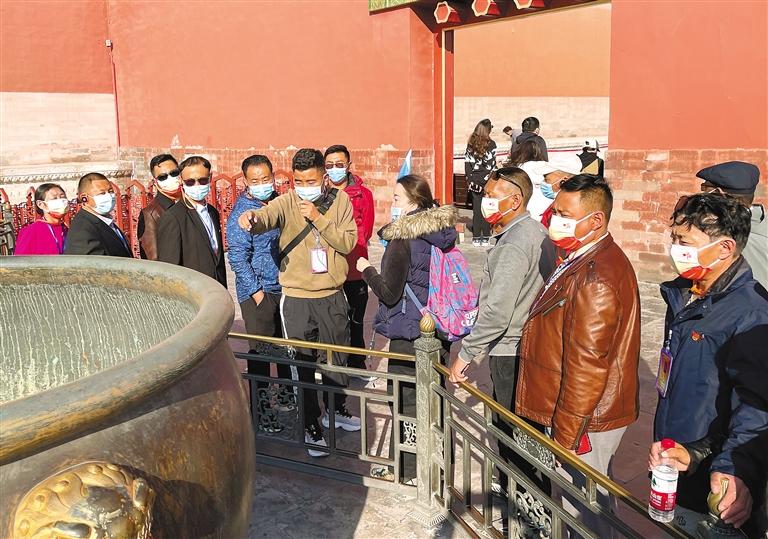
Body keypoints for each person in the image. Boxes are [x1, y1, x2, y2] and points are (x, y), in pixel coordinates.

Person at [514, 174, 641, 537]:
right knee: (590, 497)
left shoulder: (596, 277)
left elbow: (587, 365)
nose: (555, 220)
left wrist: (567, 434)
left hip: (586, 415)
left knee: (584, 506)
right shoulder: (582, 257)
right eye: (555, 212)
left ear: (596, 220)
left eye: (564, 215)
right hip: (584, 410)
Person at [648, 193, 768, 536]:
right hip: (675, 452)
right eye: (674, 238)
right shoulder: (685, 294)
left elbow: (756, 407)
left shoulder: (751, 313)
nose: (674, 249)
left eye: (684, 242)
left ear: (725, 248)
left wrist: (734, 467)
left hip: (711, 469)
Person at [237, 148, 360, 456]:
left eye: (312, 181)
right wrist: (252, 218)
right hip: (297, 299)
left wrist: (318, 218)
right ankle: (310, 424)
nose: (305, 187)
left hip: (331, 294)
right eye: (299, 181)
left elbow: (348, 242)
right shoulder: (286, 202)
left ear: (324, 178)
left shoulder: (340, 201)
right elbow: (266, 216)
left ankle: (336, 407)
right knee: (301, 366)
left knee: (337, 359)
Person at [447, 167, 557, 494]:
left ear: (515, 199)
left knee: (511, 431)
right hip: (531, 345)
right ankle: (526, 495)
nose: (486, 202)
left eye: (492, 196)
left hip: (512, 348)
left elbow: (497, 311)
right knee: (526, 430)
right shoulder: (535, 232)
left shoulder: (514, 243)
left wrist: (466, 354)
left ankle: (521, 500)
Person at [357, 174, 457, 483]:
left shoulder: (403, 239)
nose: (393, 203)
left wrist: (367, 270)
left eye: (397, 198)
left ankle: (409, 469)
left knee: (405, 400)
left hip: (410, 329)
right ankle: (439, 460)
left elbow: (389, 293)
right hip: (438, 325)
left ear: (414, 202)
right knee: (434, 397)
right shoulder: (442, 232)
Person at [226, 154, 291, 434]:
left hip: (283, 287)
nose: (262, 184)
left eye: (266, 178)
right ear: (245, 181)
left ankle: (287, 397)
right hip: (258, 293)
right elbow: (238, 258)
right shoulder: (241, 214)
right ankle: (263, 412)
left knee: (285, 348)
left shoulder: (279, 203)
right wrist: (258, 295)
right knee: (261, 354)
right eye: (256, 180)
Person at [324, 144, 375, 375]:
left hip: (355, 264)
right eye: (329, 165)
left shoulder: (363, 194)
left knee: (355, 317)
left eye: (339, 164)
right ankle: (334, 362)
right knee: (331, 318)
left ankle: (356, 362)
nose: (334, 168)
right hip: (328, 264)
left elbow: (368, 228)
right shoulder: (321, 194)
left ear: (348, 165)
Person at [156, 156, 226, 288]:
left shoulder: (213, 212)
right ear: (181, 181)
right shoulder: (174, 217)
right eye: (190, 182)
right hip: (193, 291)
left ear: (210, 178)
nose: (197, 186)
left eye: (202, 180)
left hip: (217, 290)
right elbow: (169, 268)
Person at [695, 161, 767, 288]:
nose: (703, 195)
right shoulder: (762, 224)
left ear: (718, 193)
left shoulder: (724, 237)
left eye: (705, 188)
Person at [64, 173, 131, 257]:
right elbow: (92, 263)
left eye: (110, 191)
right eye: (102, 193)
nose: (109, 196)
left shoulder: (104, 221)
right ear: (84, 198)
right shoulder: (83, 229)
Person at [138, 154, 182, 260]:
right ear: (155, 182)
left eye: (174, 173)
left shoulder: (188, 202)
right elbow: (153, 258)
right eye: (163, 177)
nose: (170, 179)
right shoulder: (150, 214)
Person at [465, 119, 497, 246]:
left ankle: (476, 237)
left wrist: (470, 180)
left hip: (474, 181)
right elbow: (492, 165)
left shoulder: (471, 144)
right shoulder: (491, 144)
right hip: (487, 181)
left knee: (477, 210)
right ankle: (486, 237)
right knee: (487, 208)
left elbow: (467, 164)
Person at [525, 153, 583, 223]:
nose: (543, 182)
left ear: (564, 181)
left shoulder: (570, 209)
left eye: (546, 179)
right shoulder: (556, 206)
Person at [14, 183, 69, 255]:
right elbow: (20, 259)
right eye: (54, 198)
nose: (60, 201)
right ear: (41, 204)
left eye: (62, 197)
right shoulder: (31, 231)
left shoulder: (66, 229)